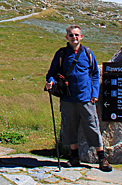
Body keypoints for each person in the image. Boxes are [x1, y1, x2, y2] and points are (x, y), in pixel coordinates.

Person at [45, 25, 112, 172]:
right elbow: (52, 72)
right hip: (68, 98)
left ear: (81, 37)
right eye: (71, 35)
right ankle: (74, 157)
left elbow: (95, 73)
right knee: (69, 127)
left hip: (86, 97)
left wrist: (94, 93)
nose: (74, 37)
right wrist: (50, 81)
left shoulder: (88, 53)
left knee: (92, 126)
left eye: (76, 35)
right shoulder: (61, 54)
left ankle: (102, 158)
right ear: (66, 37)